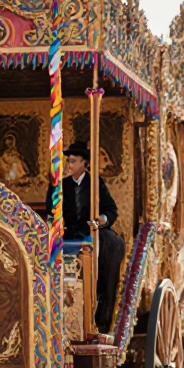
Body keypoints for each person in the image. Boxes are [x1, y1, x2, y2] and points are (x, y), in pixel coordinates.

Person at [46, 141, 126, 333]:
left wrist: (101, 220)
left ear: (84, 163)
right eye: (68, 161)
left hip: (91, 232)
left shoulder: (95, 183)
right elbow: (51, 211)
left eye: (73, 161)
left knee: (108, 246)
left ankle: (100, 315)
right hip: (69, 234)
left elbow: (111, 210)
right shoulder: (61, 186)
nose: (68, 165)